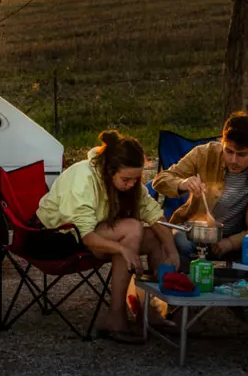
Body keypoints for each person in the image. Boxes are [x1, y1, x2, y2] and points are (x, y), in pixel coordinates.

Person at [35, 130, 179, 343]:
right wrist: (122, 249)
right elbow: (85, 235)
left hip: (93, 232)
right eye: (126, 179)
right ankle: (115, 317)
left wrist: (172, 251)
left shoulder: (128, 183)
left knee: (155, 236)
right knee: (130, 229)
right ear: (109, 169)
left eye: (135, 179)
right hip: (58, 237)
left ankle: (150, 312)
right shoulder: (83, 177)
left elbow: (154, 214)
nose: (131, 184)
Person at [151, 112, 248, 270]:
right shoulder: (204, 154)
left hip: (243, 238)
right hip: (199, 234)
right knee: (180, 240)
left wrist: (232, 242)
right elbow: (160, 180)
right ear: (222, 142)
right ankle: (190, 282)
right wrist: (182, 183)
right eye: (229, 151)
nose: (233, 160)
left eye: (241, 155)